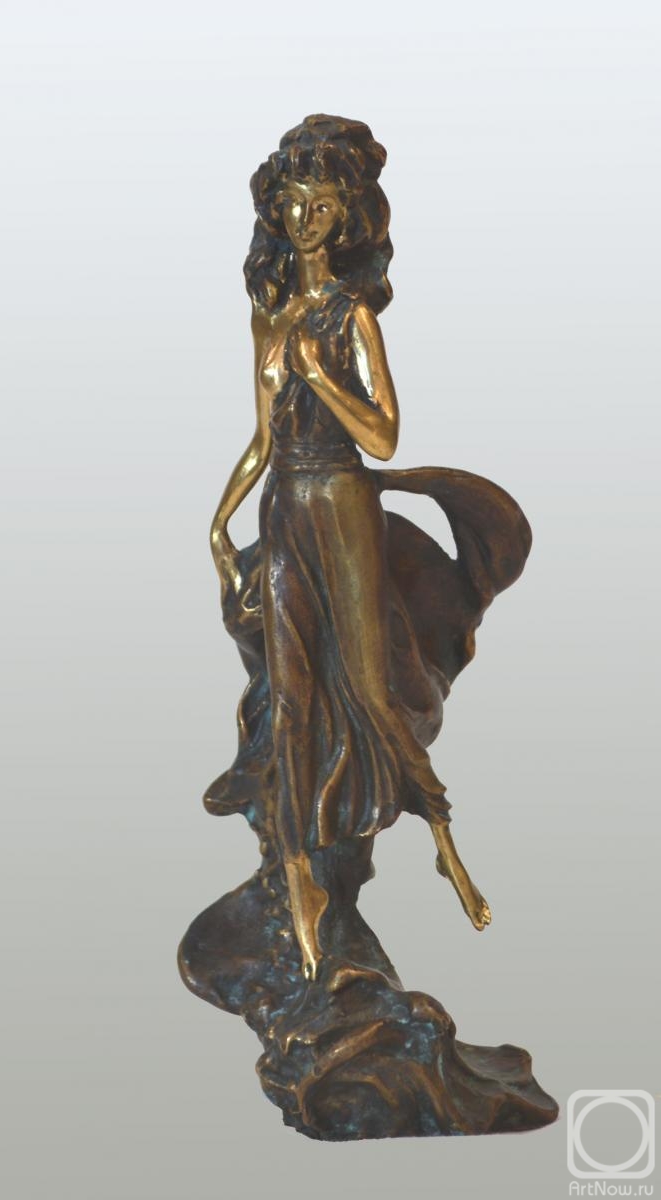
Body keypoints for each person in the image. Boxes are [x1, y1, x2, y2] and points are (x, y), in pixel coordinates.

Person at [208, 115, 528, 981]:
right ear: (277, 210)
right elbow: (261, 438)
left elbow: (383, 435)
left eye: (322, 205)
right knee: (291, 695)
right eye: (294, 202)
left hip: (342, 502)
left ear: (346, 217)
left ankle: (446, 843)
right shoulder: (270, 315)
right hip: (284, 504)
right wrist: (220, 522)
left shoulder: (351, 317)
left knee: (370, 688)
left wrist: (319, 375)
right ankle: (301, 885)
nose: (306, 219)